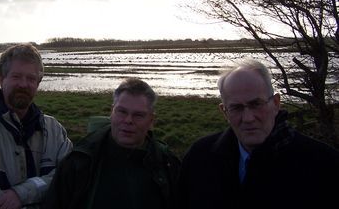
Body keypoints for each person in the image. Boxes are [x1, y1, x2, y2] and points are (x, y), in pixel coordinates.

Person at [178, 59, 339, 209]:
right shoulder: (199, 158)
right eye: (236, 108)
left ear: (276, 104)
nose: (248, 118)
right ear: (224, 112)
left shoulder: (324, 165)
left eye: (256, 104)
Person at [0, 43, 72, 209]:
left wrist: (23, 193)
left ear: (38, 83)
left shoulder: (55, 131)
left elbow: (69, 178)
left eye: (31, 78)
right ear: (1, 79)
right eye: (16, 77)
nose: (24, 84)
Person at [42, 77, 181, 209]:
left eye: (138, 115)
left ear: (151, 120)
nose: (128, 120)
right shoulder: (78, 162)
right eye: (121, 112)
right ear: (111, 112)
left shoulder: (168, 164)